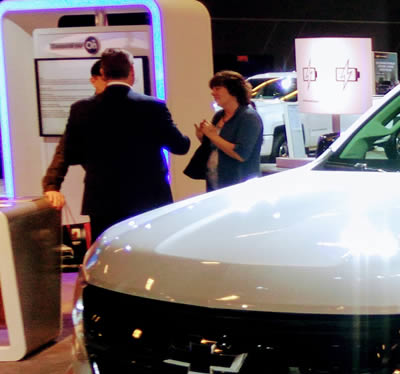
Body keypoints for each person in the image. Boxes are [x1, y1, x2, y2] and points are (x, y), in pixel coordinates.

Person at [60, 48, 191, 238]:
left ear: (103, 73)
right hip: (149, 198)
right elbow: (180, 147)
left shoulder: (81, 108)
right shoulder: (153, 106)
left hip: (101, 199)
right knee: (148, 252)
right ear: (132, 71)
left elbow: (71, 155)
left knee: (107, 257)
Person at [43, 60, 105, 210]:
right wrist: (52, 186)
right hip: (101, 193)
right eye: (105, 78)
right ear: (94, 80)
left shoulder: (137, 106)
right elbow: (63, 151)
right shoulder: (84, 111)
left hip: (140, 193)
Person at [192, 71, 263, 191]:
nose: (213, 93)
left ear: (233, 90)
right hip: (215, 184)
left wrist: (213, 136)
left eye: (217, 88)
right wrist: (203, 137)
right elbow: (217, 146)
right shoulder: (219, 115)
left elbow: (241, 154)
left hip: (239, 186)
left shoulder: (248, 117)